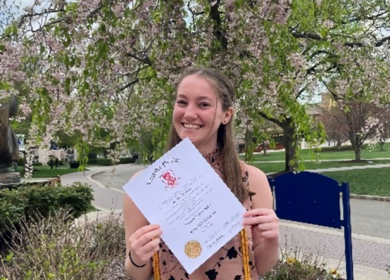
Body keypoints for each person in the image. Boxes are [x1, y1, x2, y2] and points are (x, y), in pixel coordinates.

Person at [123, 67, 279, 280]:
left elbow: (262, 267)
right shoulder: (145, 187)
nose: (188, 113)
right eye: (182, 102)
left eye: (203, 104)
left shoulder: (252, 181)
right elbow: (137, 273)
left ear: (226, 115)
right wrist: (137, 257)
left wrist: (271, 240)